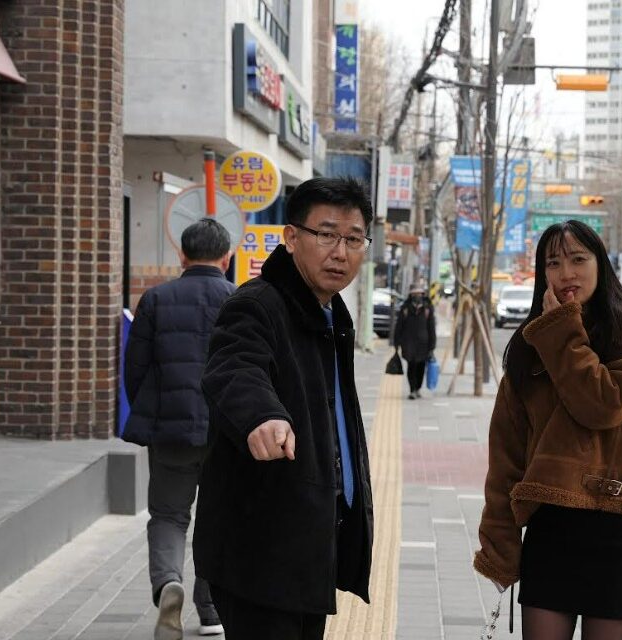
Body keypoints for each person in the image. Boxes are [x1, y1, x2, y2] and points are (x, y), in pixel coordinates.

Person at [194, 177, 374, 640]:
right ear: (291, 238)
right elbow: (236, 367)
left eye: (353, 239)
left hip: (309, 541)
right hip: (260, 549)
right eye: (326, 234)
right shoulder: (257, 304)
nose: (340, 251)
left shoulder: (331, 313)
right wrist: (261, 415)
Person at [473, 220, 622, 640]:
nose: (566, 273)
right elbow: (506, 455)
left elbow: (603, 404)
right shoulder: (530, 346)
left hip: (620, 527)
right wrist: (500, 543)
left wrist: (561, 327)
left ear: (601, 265)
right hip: (552, 527)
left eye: (579, 259)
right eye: (553, 263)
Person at [123, 217, 236, 639]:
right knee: (217, 518)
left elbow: (134, 370)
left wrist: (153, 414)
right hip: (224, 434)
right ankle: (210, 612)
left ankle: (168, 581)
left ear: (182, 256)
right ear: (226, 259)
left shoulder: (155, 300)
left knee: (169, 515)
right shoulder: (238, 300)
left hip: (170, 431)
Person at [394, 282, 436, 399]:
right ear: (411, 295)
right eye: (415, 294)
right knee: (411, 366)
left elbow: (431, 328)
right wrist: (396, 342)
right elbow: (399, 326)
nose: (417, 296)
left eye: (419, 293)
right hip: (408, 343)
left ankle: (418, 388)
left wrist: (432, 346)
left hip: (424, 344)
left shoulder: (428, 309)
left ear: (423, 295)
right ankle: (412, 389)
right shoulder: (405, 309)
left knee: (421, 367)